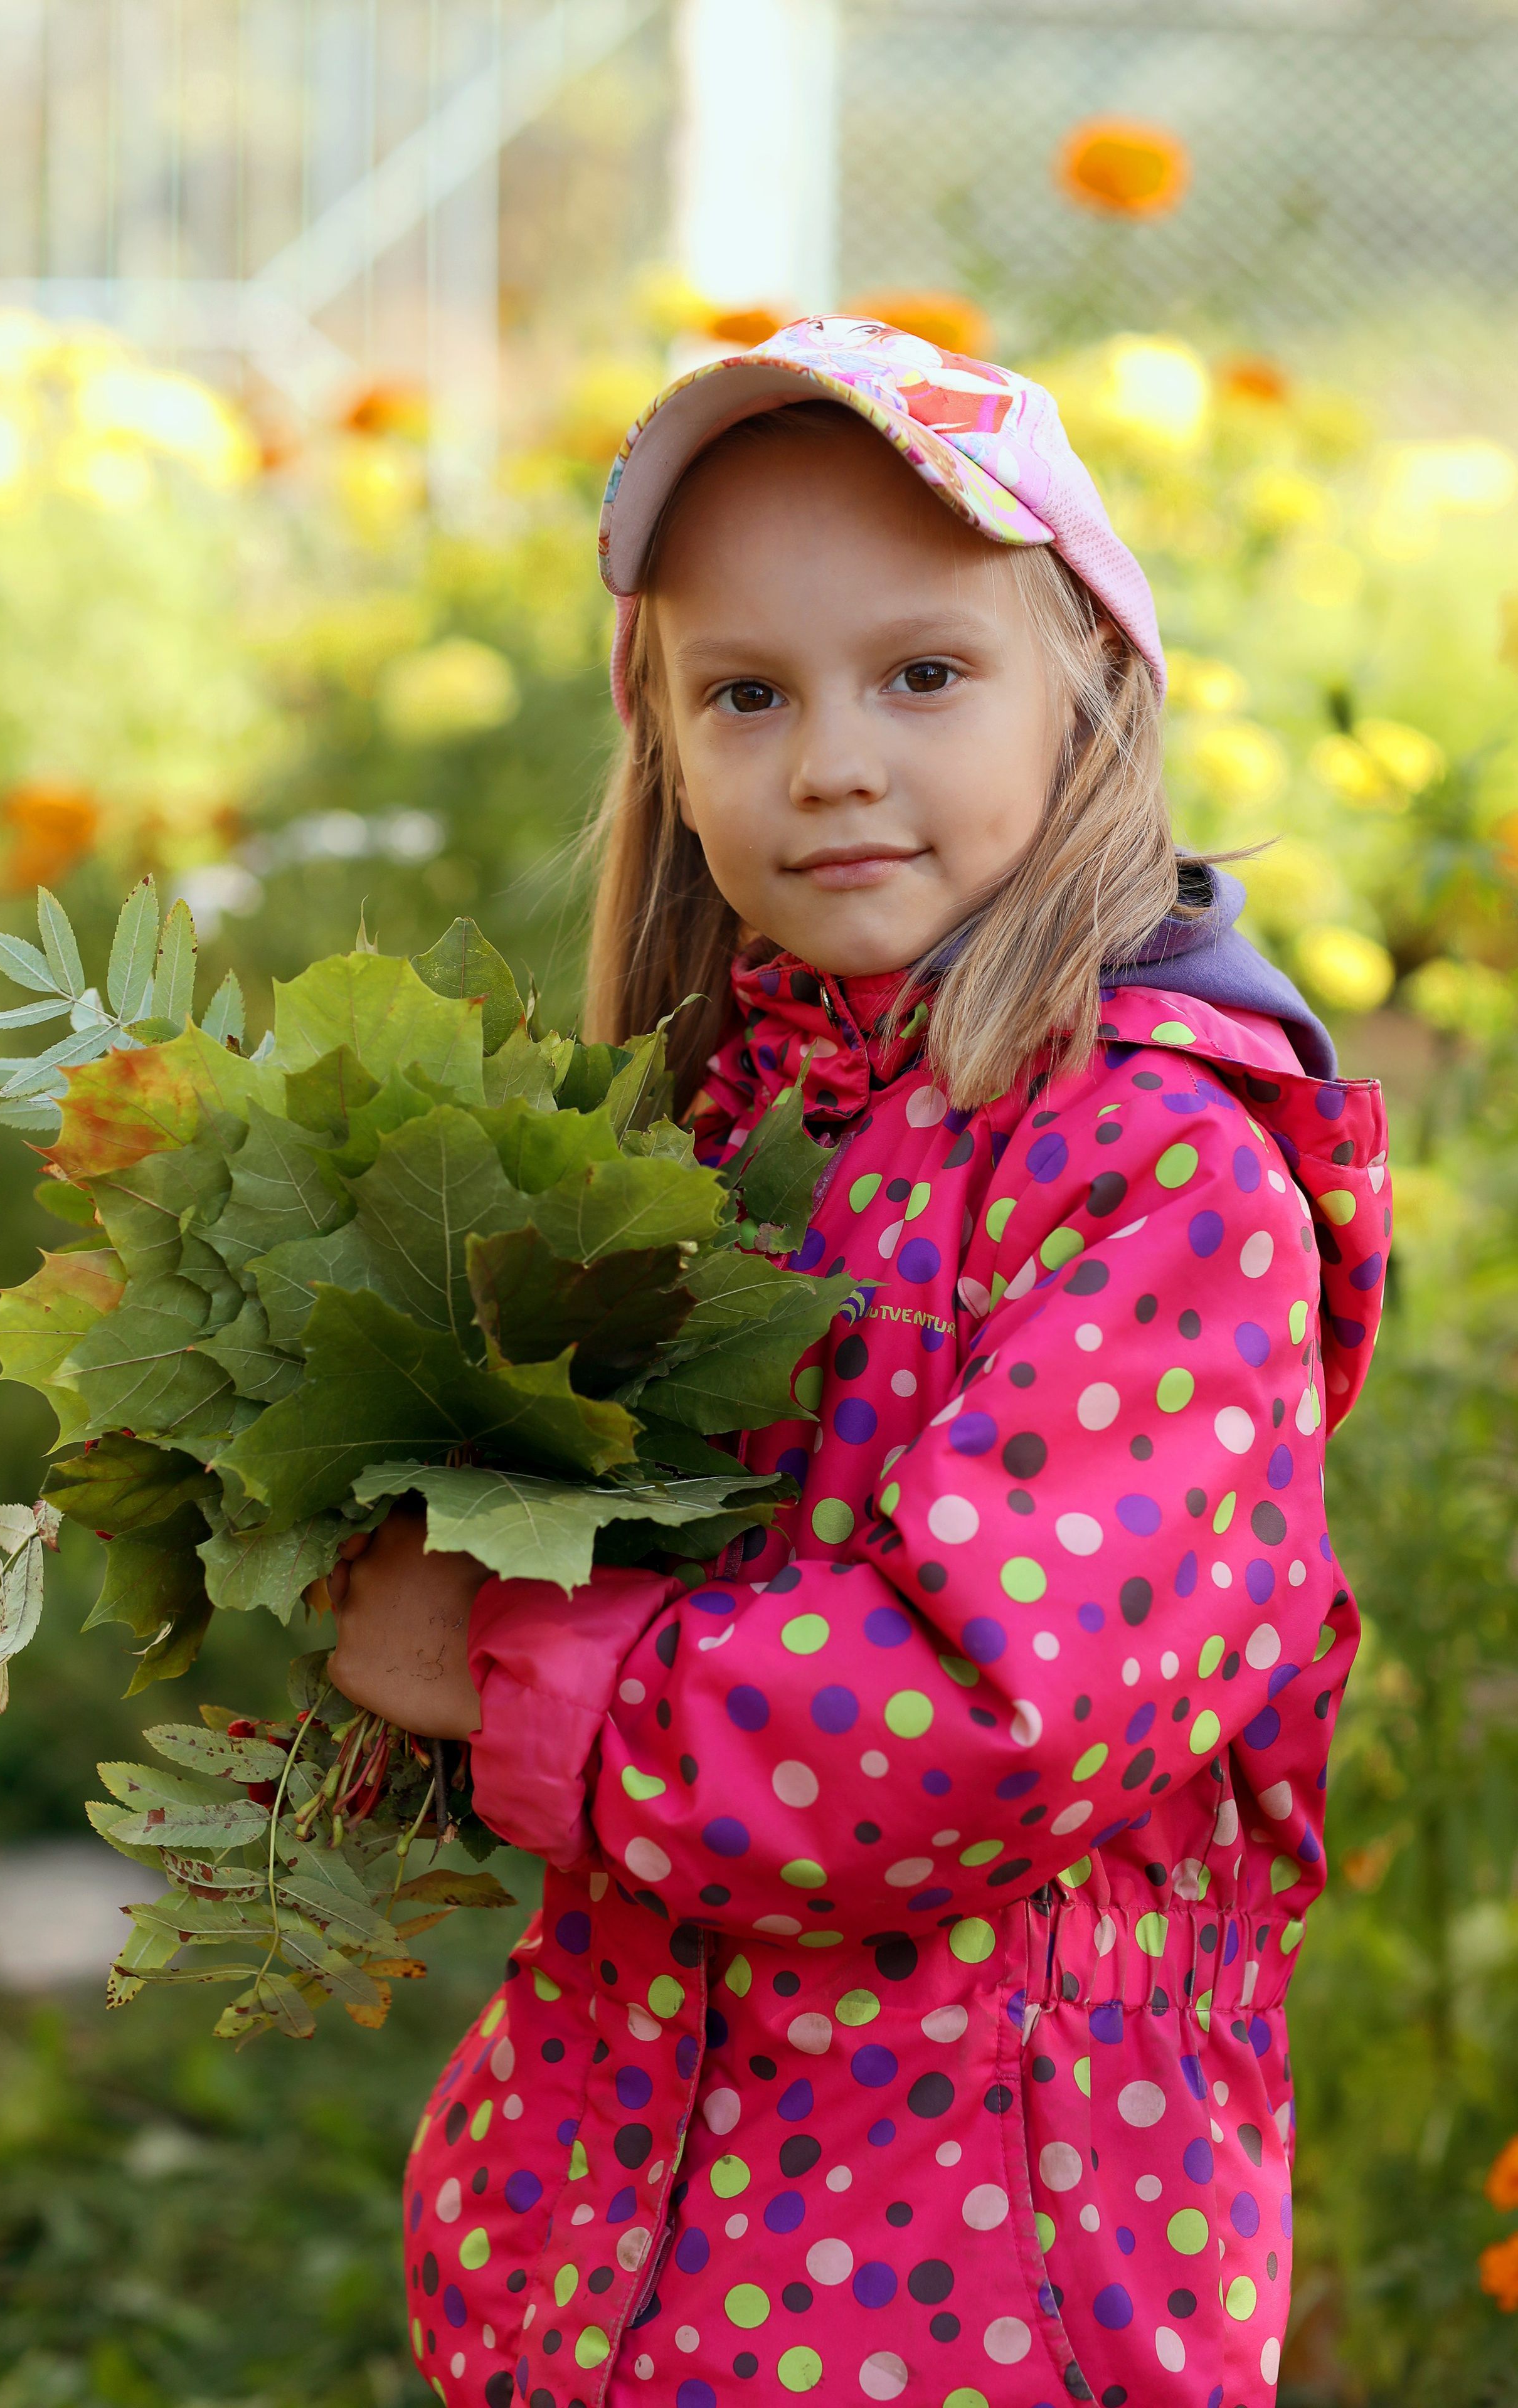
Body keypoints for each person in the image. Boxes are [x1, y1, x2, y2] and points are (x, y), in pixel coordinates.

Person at [320, 318, 1391, 2408]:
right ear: (668, 749)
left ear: (1089, 693)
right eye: (748, 694)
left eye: (922, 673)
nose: (829, 759)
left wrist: (517, 1669)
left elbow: (989, 1707)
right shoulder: (721, 1132)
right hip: (640, 2209)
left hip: (987, 2262)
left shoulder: (1162, 1179)